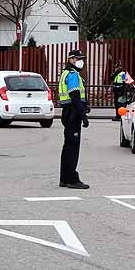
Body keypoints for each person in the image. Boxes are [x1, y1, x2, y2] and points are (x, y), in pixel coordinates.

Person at [58, 49, 90, 189]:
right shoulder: (72, 75)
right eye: (78, 58)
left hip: (68, 112)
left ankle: (64, 178)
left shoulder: (66, 73)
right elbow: (75, 96)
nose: (80, 61)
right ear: (71, 59)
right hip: (73, 113)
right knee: (72, 148)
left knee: (67, 147)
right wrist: (83, 116)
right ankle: (72, 179)